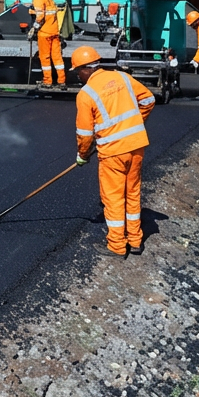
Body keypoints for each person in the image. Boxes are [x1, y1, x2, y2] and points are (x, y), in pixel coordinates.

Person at [72, 45, 155, 256]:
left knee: (114, 198)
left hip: (113, 153)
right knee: (132, 192)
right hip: (136, 146)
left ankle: (117, 246)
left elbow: (84, 133)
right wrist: (134, 125)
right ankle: (135, 240)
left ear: (86, 69)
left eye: (78, 72)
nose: (78, 77)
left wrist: (82, 155)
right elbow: (148, 100)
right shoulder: (122, 77)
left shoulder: (86, 93)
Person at [29, 0, 63, 85]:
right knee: (57, 58)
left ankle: (47, 81)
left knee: (45, 57)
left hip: (44, 33)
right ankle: (62, 81)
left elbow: (40, 16)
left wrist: (34, 28)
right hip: (54, 32)